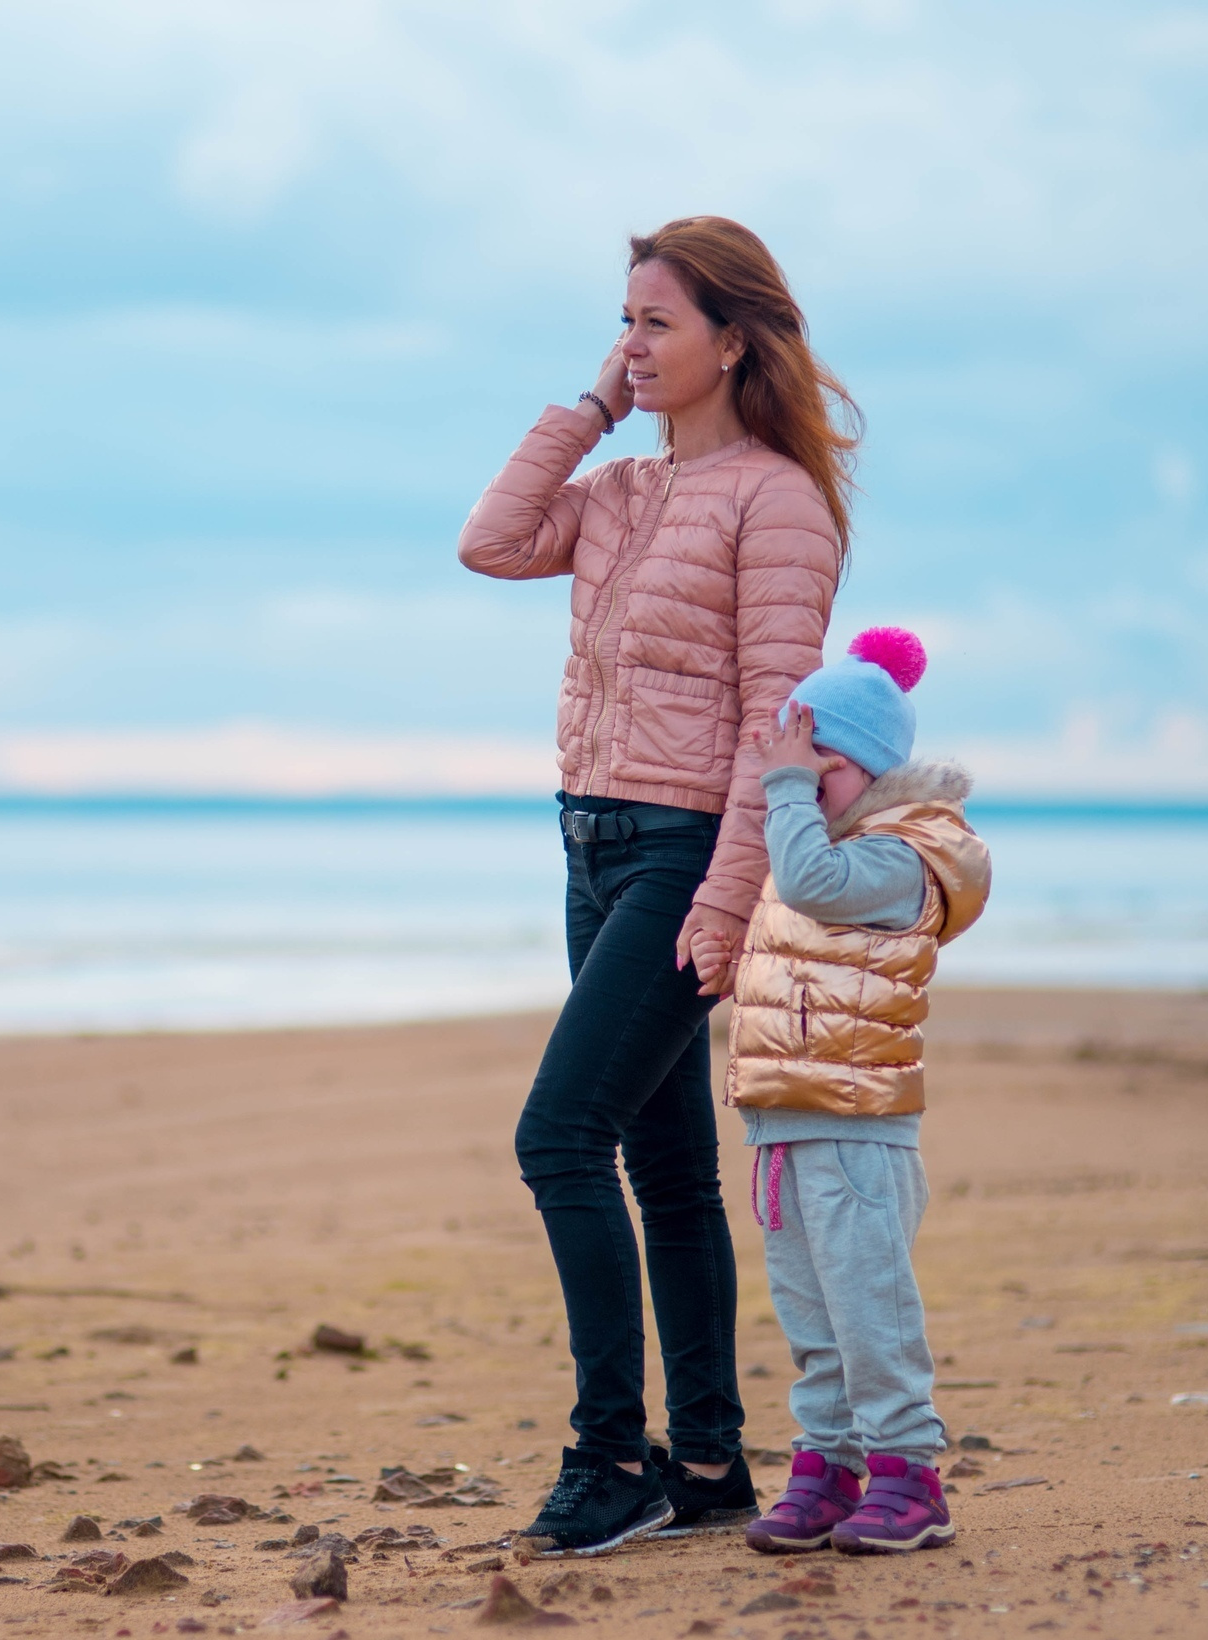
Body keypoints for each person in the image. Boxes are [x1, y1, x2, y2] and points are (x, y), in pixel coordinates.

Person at [457, 216, 859, 1555]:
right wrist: (586, 408)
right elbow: (492, 540)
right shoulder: (621, 493)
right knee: (667, 1165)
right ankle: (707, 1461)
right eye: (622, 321)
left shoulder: (777, 501)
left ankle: (609, 1456)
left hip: (685, 853)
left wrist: (730, 894)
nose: (630, 348)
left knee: (557, 1136)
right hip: (588, 842)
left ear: (733, 340)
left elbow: (772, 721)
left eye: (655, 325)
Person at [690, 627, 991, 1555]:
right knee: (814, 1317)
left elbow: (813, 886)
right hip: (787, 1125)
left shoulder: (898, 860)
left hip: (859, 1137)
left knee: (871, 1312)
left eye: (814, 769)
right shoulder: (824, 836)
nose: (798, 788)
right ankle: (829, 1464)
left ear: (863, 766)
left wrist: (784, 790)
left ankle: (910, 1472)